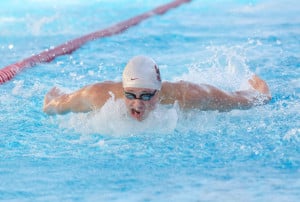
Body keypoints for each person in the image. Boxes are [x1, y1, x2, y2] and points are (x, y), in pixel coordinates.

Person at [43, 55, 271, 121]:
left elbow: (240, 100)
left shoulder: (188, 95)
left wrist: (258, 91)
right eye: (130, 95)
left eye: (146, 96)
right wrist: (53, 101)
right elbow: (55, 105)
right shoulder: (99, 96)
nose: (137, 104)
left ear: (159, 92)